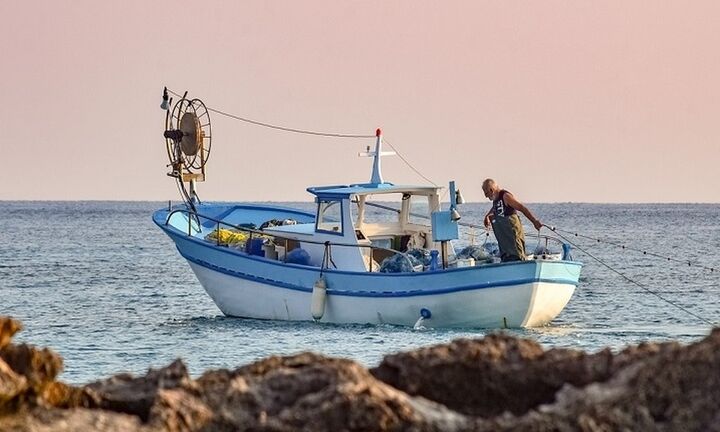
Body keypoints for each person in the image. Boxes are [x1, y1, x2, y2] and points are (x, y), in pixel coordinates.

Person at [482, 179, 542, 262]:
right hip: (504, 238)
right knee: (507, 255)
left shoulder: (505, 196)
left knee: (517, 252)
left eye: (486, 193)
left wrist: (534, 221)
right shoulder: (496, 199)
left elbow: (522, 208)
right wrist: (487, 216)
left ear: (491, 190)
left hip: (512, 232)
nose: (486, 196)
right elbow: (495, 207)